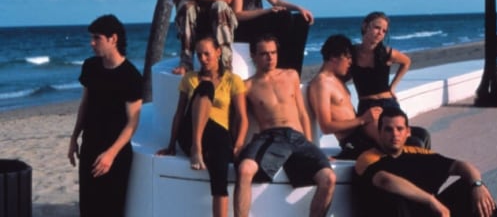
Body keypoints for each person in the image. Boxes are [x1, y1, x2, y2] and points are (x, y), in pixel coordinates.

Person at [233, 34, 335, 217]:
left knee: (329, 178)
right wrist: (239, 144)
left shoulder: (291, 75)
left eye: (273, 52)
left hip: (297, 137)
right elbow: (242, 119)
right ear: (254, 56)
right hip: (270, 136)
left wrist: (311, 144)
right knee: (244, 169)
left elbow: (302, 113)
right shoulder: (247, 86)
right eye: (264, 54)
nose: (270, 57)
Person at [157, 35, 248, 217]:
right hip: (190, 134)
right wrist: (171, 145)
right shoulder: (190, 79)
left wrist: (238, 145)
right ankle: (196, 148)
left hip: (218, 136)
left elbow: (242, 117)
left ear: (218, 52)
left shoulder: (232, 80)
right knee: (206, 87)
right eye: (199, 55)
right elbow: (180, 113)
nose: (203, 59)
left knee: (220, 173)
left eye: (207, 54)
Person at [355, 107, 497, 217]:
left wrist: (477, 185)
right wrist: (431, 201)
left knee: (471, 188)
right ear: (379, 132)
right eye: (388, 130)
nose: (395, 134)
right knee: (395, 198)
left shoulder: (417, 153)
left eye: (399, 129)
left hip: (429, 213)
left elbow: (462, 166)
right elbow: (385, 180)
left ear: (408, 132)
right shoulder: (368, 158)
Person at [67, 14, 143, 217]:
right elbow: (85, 104)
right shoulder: (90, 67)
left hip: (115, 154)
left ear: (113, 39)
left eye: (97, 38)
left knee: (111, 210)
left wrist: (111, 154)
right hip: (90, 146)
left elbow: (133, 122)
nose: (92, 43)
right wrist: (74, 137)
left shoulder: (131, 76)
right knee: (88, 209)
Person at [351, 11, 430, 148]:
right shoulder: (352, 53)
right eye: (376, 28)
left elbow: (406, 62)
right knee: (403, 142)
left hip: (389, 103)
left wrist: (392, 86)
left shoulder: (387, 53)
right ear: (365, 26)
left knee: (423, 135)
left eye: (384, 31)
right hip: (368, 107)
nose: (380, 33)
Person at [308, 34, 382, 159]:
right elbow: (326, 127)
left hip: (363, 133)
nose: (350, 62)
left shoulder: (337, 79)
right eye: (347, 58)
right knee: (412, 144)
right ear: (333, 58)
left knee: (419, 135)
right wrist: (362, 119)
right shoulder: (321, 84)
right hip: (353, 142)